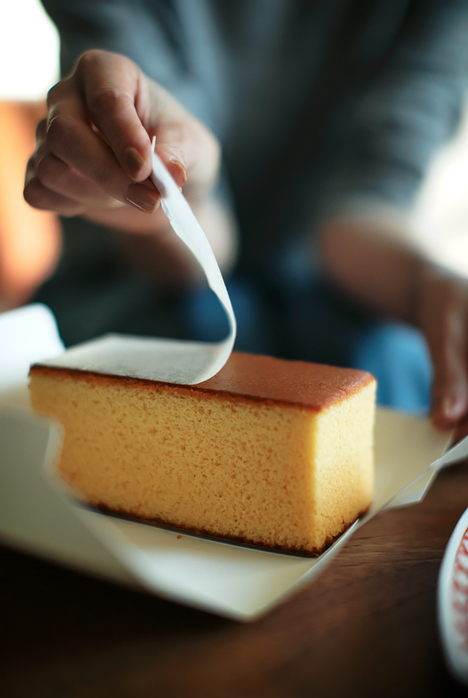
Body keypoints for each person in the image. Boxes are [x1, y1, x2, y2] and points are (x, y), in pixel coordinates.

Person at [24, 0, 468, 433]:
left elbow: (366, 199)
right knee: (179, 349)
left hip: (328, 287)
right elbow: (191, 258)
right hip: (142, 288)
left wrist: (430, 284)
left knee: (392, 362)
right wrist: (169, 194)